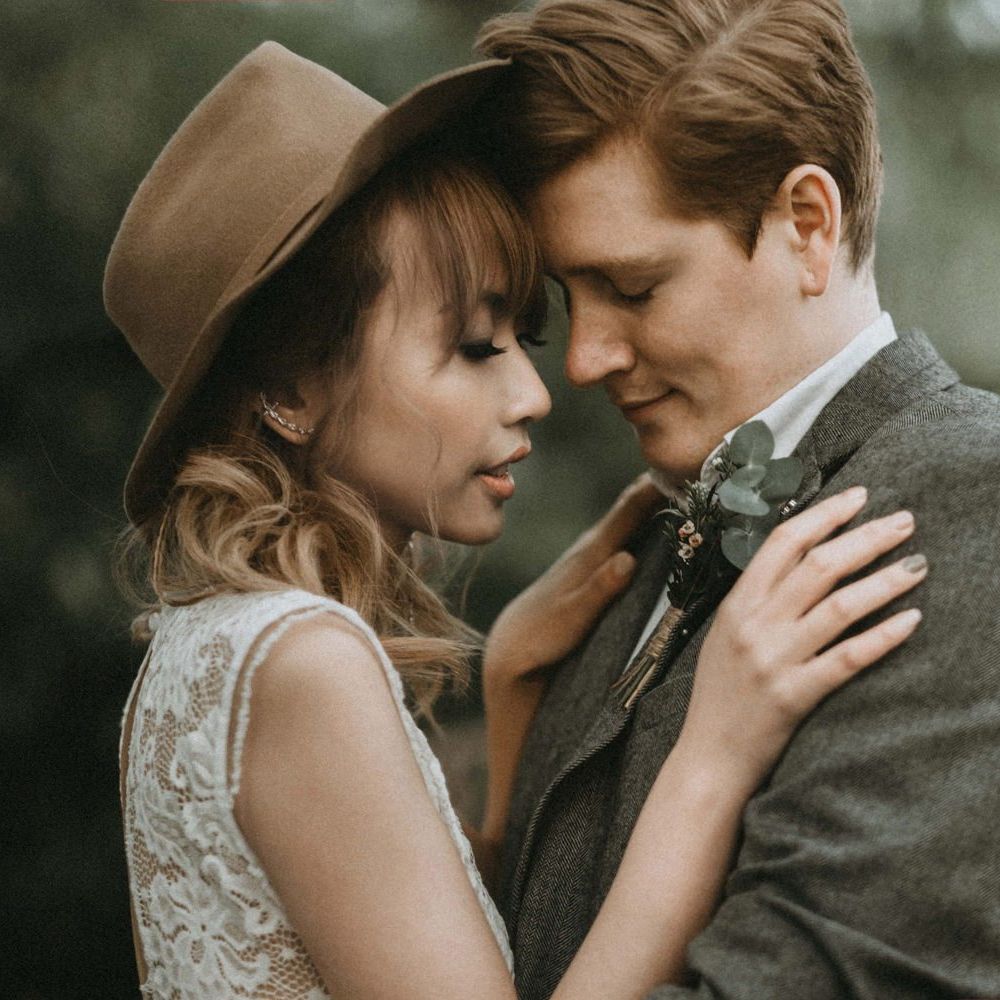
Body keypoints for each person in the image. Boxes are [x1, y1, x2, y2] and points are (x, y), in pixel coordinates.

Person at [109, 43, 924, 999]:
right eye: (473, 346)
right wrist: (713, 754)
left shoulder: (207, 648)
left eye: (522, 338)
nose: (539, 391)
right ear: (290, 390)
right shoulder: (303, 665)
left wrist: (507, 700)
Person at [471, 1, 1000, 997]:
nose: (584, 358)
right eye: (571, 300)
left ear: (808, 225)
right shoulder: (642, 545)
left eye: (633, 287)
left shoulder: (970, 500)